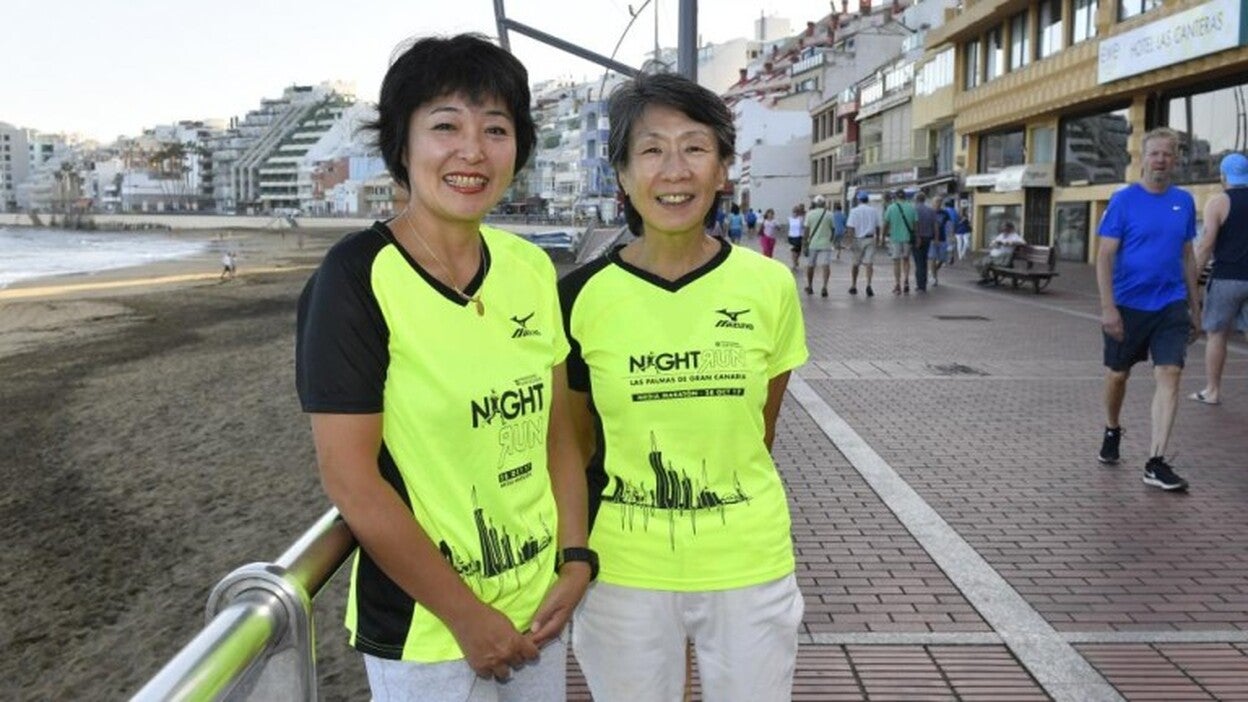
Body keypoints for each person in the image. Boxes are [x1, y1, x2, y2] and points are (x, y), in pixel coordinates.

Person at [294, 34, 591, 701]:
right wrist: (467, 618)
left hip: (538, 606)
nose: (472, 151)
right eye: (445, 127)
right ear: (402, 145)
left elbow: (556, 435)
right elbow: (351, 479)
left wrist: (574, 560)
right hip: (426, 630)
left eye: (496, 129)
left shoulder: (530, 269)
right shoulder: (356, 279)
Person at [559, 71, 808, 702]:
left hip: (749, 562)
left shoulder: (769, 285)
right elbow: (574, 445)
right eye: (651, 149)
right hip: (622, 569)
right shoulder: (578, 296)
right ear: (621, 173)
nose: (675, 170)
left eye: (695, 147)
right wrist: (575, 553)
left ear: (724, 169)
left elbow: (761, 428)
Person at [1095, 127, 1199, 492]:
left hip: (1170, 304)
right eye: (1154, 154)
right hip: (1127, 305)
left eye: (1167, 154)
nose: (1161, 160)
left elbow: (1188, 256)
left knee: (1170, 373)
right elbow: (1105, 256)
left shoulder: (1184, 202)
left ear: (1175, 159)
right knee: (1117, 376)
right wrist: (1108, 308)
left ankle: (1155, 461)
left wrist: (1195, 308)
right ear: (1143, 158)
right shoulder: (1123, 201)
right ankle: (1112, 427)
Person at [1190, 152, 1248, 405]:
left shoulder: (1219, 202)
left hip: (1226, 277)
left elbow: (1205, 246)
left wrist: (1191, 279)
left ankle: (1212, 391)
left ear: (1224, 176)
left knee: (1216, 334)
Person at [845, 190, 881, 297]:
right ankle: (869, 284)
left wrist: (850, 241)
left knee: (855, 264)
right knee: (869, 263)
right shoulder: (873, 211)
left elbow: (850, 227)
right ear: (867, 200)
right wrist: (878, 239)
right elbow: (878, 226)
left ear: (859, 200)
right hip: (870, 239)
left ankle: (854, 285)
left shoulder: (854, 211)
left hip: (857, 239)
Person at [882, 188, 916, 294]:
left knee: (896, 262)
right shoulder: (911, 207)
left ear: (895, 197)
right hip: (907, 238)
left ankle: (897, 284)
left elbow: (886, 224)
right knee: (906, 260)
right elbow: (916, 224)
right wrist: (917, 236)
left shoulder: (891, 208)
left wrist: (883, 237)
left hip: (895, 238)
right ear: (905, 197)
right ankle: (906, 280)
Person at [803, 194, 836, 297]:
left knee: (811, 265)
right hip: (826, 243)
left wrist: (805, 242)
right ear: (824, 204)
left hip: (813, 243)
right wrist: (831, 239)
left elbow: (807, 230)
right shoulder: (830, 214)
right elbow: (833, 229)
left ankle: (810, 286)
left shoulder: (810, 214)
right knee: (826, 265)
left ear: (814, 204)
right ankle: (825, 286)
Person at [912, 192, 937, 292]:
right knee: (924, 261)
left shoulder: (913, 210)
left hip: (917, 238)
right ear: (924, 199)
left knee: (918, 262)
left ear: (916, 199)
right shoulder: (931, 210)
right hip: (928, 238)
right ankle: (924, 283)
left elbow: (913, 224)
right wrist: (936, 238)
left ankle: (920, 285)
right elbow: (935, 226)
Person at [930, 197, 958, 285]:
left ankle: (933, 271)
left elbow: (949, 224)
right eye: (936, 202)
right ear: (932, 203)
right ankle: (934, 278)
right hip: (931, 239)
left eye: (939, 202)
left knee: (942, 259)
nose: (938, 204)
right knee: (933, 258)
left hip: (942, 238)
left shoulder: (945, 213)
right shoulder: (930, 212)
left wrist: (951, 235)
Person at [787, 204, 805, 271]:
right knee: (793, 251)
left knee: (798, 252)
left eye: (796, 211)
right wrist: (787, 237)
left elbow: (803, 227)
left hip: (798, 237)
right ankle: (794, 264)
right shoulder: (789, 219)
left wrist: (804, 237)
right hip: (791, 237)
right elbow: (788, 228)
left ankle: (796, 260)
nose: (795, 213)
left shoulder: (801, 219)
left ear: (798, 212)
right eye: (794, 211)